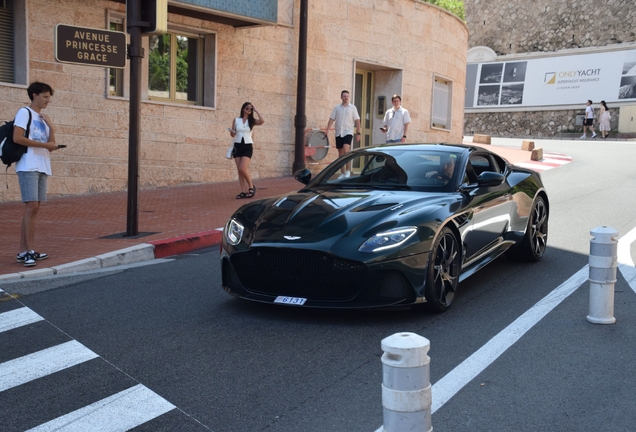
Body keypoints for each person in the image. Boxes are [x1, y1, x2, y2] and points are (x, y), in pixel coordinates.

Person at [13, 82, 60, 267]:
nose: (48, 100)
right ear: (34, 95)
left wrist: (51, 128)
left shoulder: (42, 117)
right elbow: (18, 138)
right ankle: (28, 252)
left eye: (49, 97)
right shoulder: (24, 112)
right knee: (31, 207)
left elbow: (52, 145)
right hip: (28, 165)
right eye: (45, 96)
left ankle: (24, 251)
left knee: (34, 209)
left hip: (42, 165)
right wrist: (45, 146)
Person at [229, 102, 264, 199]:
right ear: (243, 109)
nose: (249, 110)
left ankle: (251, 187)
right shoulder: (236, 120)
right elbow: (233, 135)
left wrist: (256, 109)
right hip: (237, 145)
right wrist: (232, 132)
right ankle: (243, 191)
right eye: (247, 108)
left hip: (248, 146)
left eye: (251, 109)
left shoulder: (252, 121)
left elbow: (262, 121)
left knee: (242, 168)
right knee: (239, 171)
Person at [326, 90, 362, 178]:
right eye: (344, 96)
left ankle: (348, 170)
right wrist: (327, 129)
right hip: (339, 132)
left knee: (346, 150)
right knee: (340, 153)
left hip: (348, 132)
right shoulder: (337, 108)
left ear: (348, 97)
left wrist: (359, 133)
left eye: (347, 96)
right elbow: (332, 118)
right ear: (341, 97)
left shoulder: (353, 108)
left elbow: (357, 120)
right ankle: (342, 172)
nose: (346, 98)